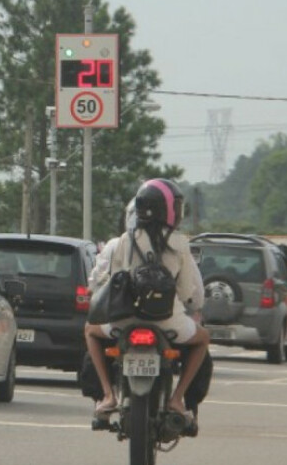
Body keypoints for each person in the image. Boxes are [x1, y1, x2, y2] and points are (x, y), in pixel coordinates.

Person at [83, 178, 210, 427]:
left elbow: (113, 282)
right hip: (169, 324)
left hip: (123, 323)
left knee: (90, 331)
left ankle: (108, 395)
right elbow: (186, 293)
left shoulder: (122, 241)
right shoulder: (180, 244)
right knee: (203, 338)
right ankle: (177, 398)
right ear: (170, 209)